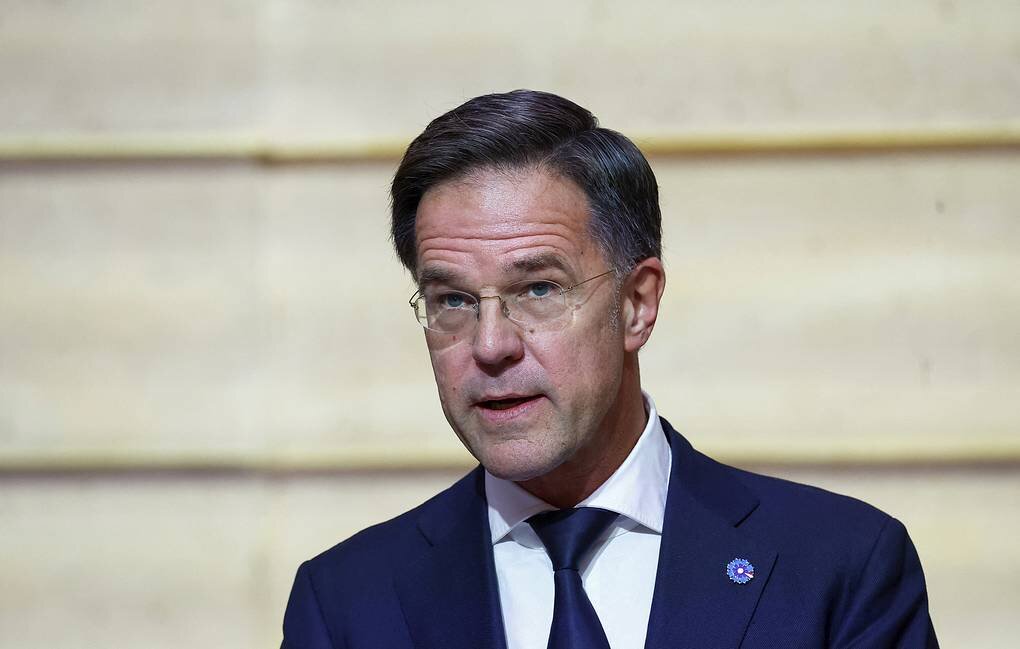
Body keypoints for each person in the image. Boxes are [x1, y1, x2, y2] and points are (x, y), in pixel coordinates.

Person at [282, 90, 938, 649]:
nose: (490, 345)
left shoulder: (838, 568)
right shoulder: (344, 604)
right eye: (453, 300)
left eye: (539, 288)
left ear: (636, 304)